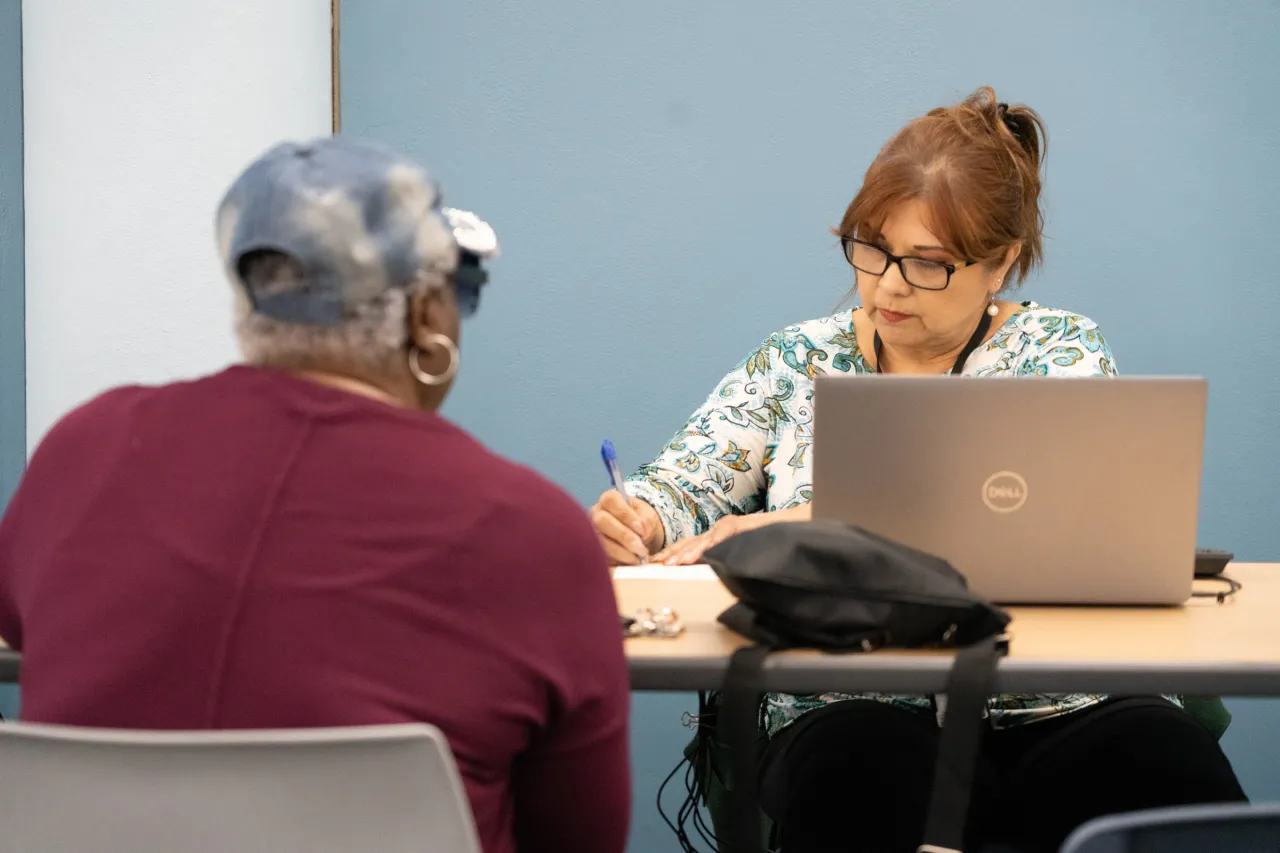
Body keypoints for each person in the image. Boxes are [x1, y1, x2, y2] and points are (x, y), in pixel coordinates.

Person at [590, 88, 1244, 851]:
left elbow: (996, 518)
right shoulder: (796, 361)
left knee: (1168, 769)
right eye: (871, 248)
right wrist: (641, 514)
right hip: (848, 699)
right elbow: (688, 483)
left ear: (1000, 263)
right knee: (859, 781)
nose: (888, 283)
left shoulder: (1058, 354)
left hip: (1061, 694)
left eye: (928, 264)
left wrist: (785, 524)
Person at [0, 138, 630, 853]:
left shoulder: (83, 448)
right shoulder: (530, 527)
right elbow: (583, 836)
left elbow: (30, 632)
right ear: (426, 314)